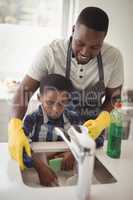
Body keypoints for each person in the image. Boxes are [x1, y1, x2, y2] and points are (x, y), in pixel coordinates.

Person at [8, 7, 124, 170]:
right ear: (73, 30)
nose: (85, 52)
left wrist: (101, 121)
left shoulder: (114, 57)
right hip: (55, 141)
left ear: (103, 40)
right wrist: (15, 125)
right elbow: (23, 93)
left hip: (90, 139)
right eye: (80, 43)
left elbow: (115, 97)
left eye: (94, 47)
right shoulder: (50, 53)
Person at [22, 74, 79, 186]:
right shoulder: (31, 120)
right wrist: (40, 167)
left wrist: (73, 152)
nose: (56, 109)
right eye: (50, 103)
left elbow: (87, 140)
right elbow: (22, 147)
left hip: (64, 172)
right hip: (35, 171)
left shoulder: (73, 118)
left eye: (62, 103)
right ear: (39, 98)